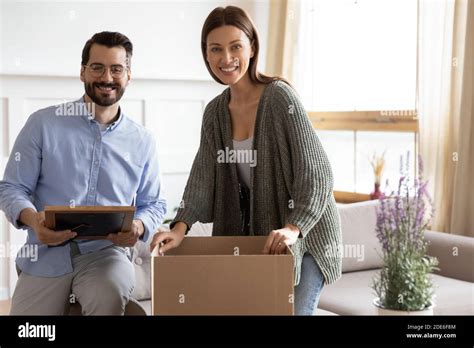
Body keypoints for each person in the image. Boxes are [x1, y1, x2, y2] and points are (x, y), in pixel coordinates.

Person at [150, 6, 342, 315]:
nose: (226, 58)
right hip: (261, 241)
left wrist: (293, 228)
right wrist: (180, 227)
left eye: (235, 46)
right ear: (207, 55)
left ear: (252, 47)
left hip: (307, 238)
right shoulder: (215, 113)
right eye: (216, 49)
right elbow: (203, 177)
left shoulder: (280, 99)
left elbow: (317, 174)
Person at [0, 31, 166, 315]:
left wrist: (138, 228)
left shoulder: (142, 140)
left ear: (128, 75)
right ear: (82, 72)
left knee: (109, 297)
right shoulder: (42, 124)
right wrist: (34, 222)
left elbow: (154, 204)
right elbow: (12, 188)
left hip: (106, 255)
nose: (107, 77)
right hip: (45, 254)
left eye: (116, 69)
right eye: (97, 67)